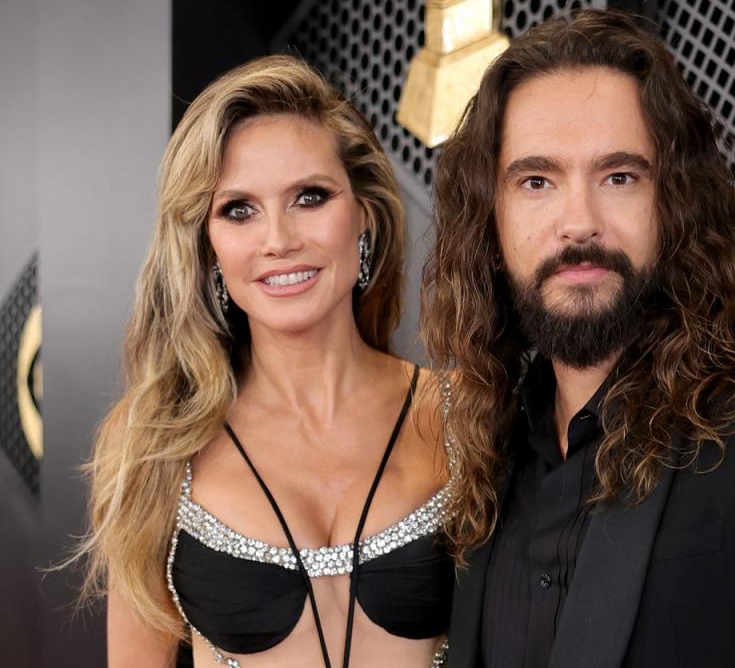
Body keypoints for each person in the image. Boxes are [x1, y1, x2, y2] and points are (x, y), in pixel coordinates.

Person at [421, 9, 735, 667]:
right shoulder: (485, 452)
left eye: (619, 177)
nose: (578, 222)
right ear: (490, 224)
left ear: (676, 203)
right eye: (537, 181)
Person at [79, 55, 454, 667]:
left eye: (310, 197)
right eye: (239, 209)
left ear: (362, 214)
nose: (278, 239)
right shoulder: (155, 444)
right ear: (207, 244)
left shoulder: (463, 413)